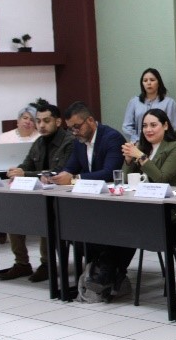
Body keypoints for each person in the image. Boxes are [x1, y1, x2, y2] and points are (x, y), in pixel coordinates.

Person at [50, 102, 133, 295]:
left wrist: (74, 179)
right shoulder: (79, 143)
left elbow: (109, 173)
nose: (74, 132)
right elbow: (70, 168)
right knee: (66, 223)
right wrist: (56, 177)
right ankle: (99, 270)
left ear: (90, 120)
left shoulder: (111, 138)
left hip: (113, 204)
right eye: (70, 129)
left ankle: (105, 270)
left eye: (77, 127)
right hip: (90, 203)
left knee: (106, 229)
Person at [0, 103, 74, 282]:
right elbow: (26, 165)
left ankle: (47, 264)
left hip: (62, 197)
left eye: (46, 121)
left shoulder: (69, 141)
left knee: (46, 217)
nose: (41, 125)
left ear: (58, 121)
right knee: (13, 215)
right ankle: (22, 263)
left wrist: (25, 174)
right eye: (38, 121)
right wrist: (17, 171)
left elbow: (57, 172)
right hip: (38, 194)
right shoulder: (39, 142)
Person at [121, 108, 176, 186]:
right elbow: (124, 182)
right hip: (141, 192)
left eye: (153, 125)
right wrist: (128, 160)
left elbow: (162, 180)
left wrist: (141, 157)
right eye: (145, 126)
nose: (148, 130)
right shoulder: (141, 147)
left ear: (165, 126)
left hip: (170, 193)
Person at [122, 68, 176, 143]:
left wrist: (158, 142)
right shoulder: (134, 102)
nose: (148, 83)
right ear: (142, 84)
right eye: (145, 80)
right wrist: (137, 140)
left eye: (152, 80)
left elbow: (171, 127)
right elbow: (127, 126)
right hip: (139, 143)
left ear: (159, 83)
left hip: (161, 144)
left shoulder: (169, 103)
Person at [0, 104, 40, 169]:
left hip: (30, 172)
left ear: (35, 124)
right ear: (18, 121)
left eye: (32, 120)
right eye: (25, 118)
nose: (27, 122)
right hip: (5, 171)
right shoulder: (4, 137)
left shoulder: (40, 137)